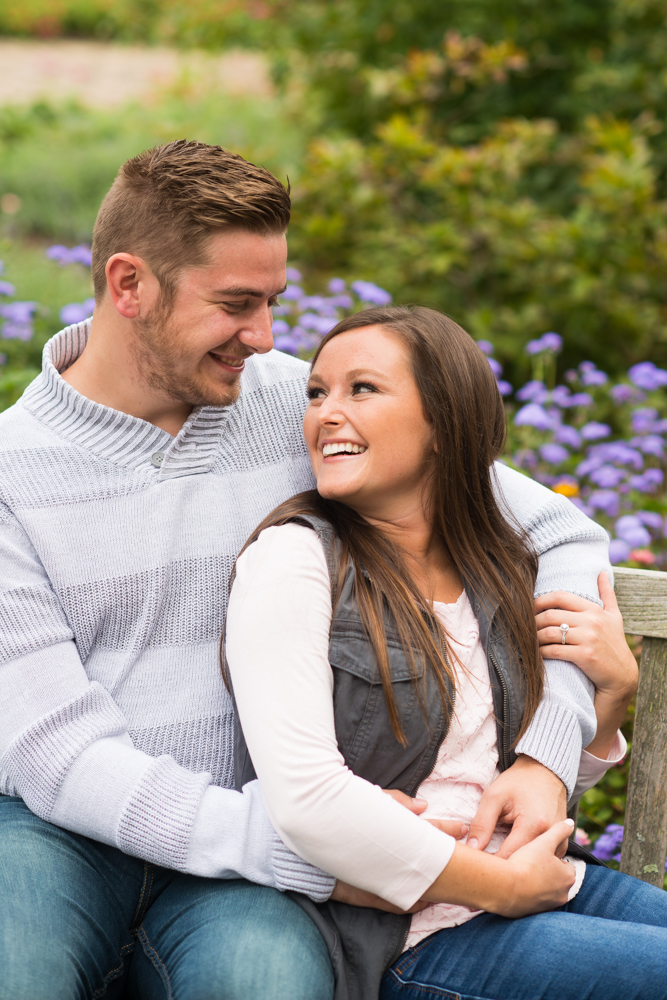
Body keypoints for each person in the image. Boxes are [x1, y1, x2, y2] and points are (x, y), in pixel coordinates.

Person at [0, 138, 613, 1000]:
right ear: (128, 285)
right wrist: (301, 846)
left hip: (249, 860)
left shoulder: (300, 404)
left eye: (273, 302)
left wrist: (549, 755)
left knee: (264, 982)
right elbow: (59, 757)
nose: (265, 336)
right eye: (236, 304)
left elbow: (562, 533)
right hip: (62, 837)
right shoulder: (11, 474)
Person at [225, 305, 665, 1000]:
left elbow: (490, 784)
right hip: (410, 935)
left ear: (442, 421)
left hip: (542, 881)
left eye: (361, 389)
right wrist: (506, 886)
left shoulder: (495, 567)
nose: (325, 414)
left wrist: (605, 706)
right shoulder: (294, 560)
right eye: (317, 393)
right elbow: (305, 801)